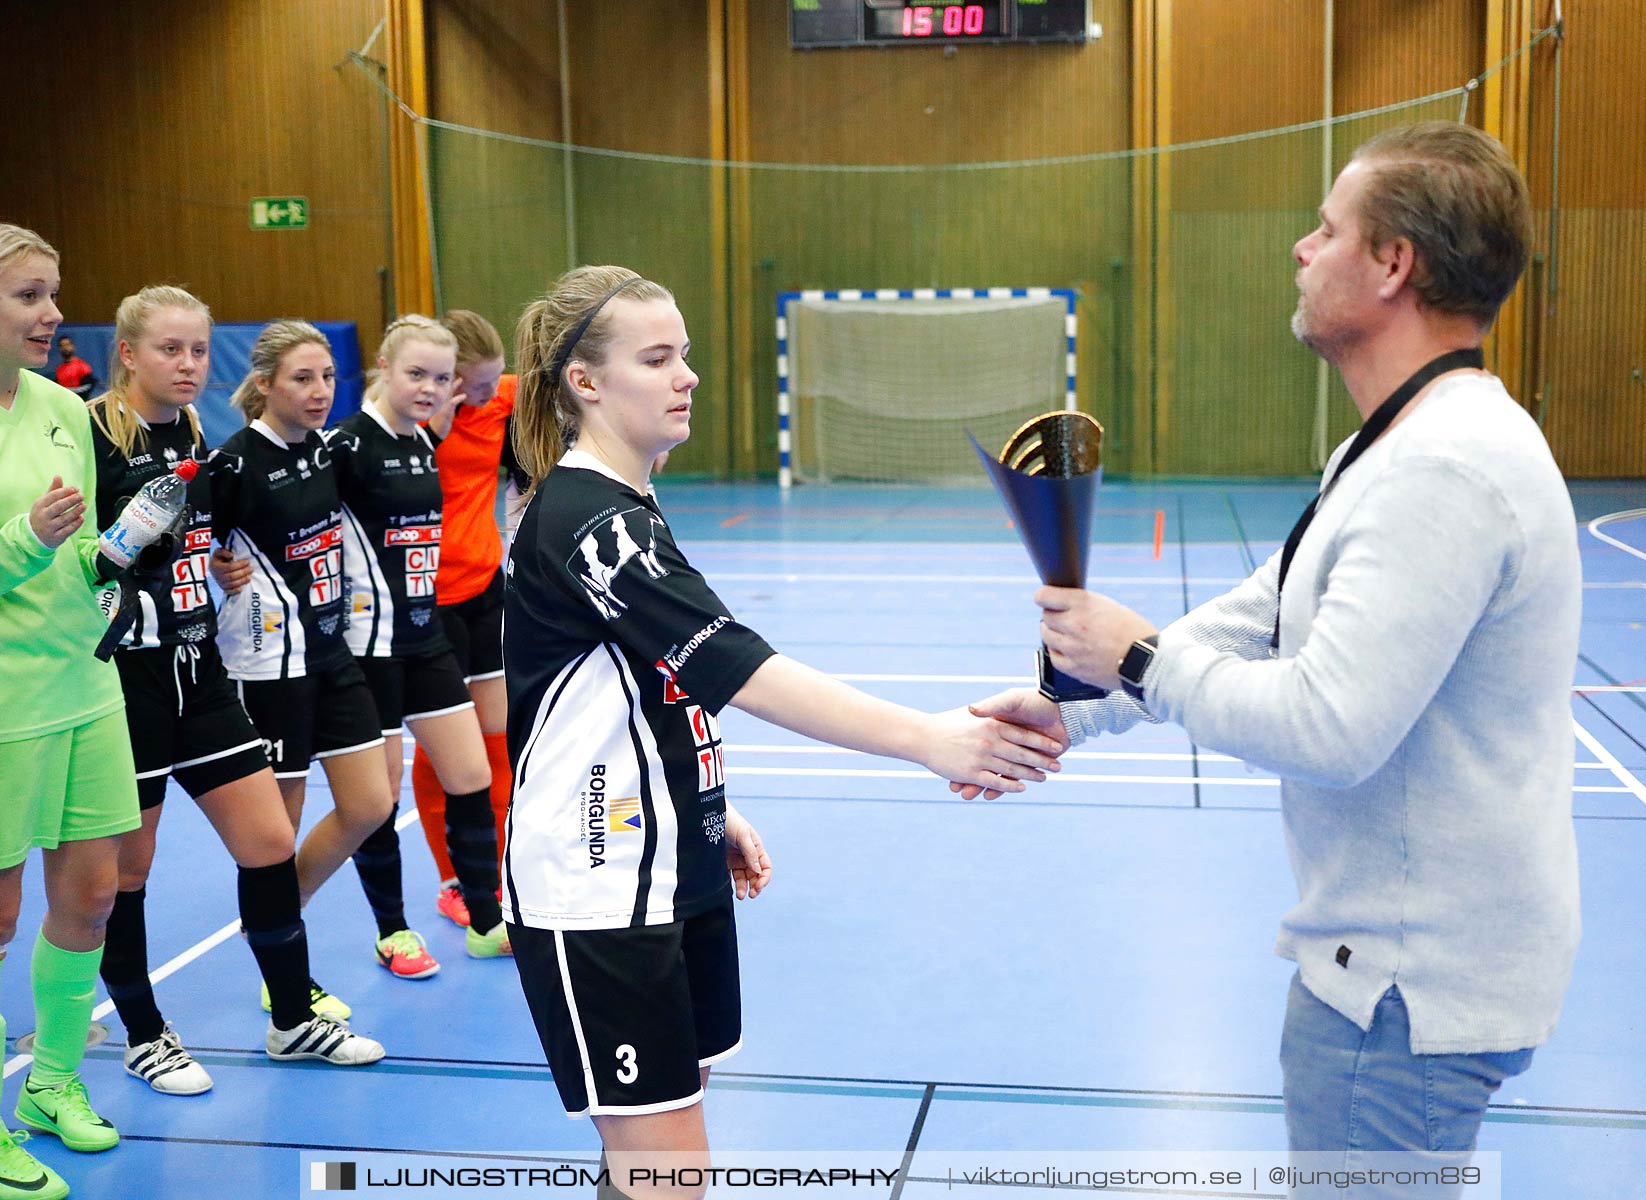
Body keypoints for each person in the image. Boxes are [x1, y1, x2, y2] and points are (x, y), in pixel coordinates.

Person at [982, 122, 1581, 1189]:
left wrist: (1140, 660)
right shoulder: (1395, 443)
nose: (1302, 252)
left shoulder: (1442, 468)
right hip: (1397, 973)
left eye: (1326, 230)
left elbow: (1330, 728)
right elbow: (1260, 614)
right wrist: (1077, 707)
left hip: (1404, 992)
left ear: (1394, 263)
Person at [503, 265, 1065, 1193]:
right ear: (584, 382)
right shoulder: (583, 518)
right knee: (667, 1166)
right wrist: (933, 740)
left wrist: (706, 809)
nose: (686, 374)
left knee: (655, 1141)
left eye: (684, 353)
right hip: (596, 883)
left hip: (669, 854)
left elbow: (649, 693)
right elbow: (740, 669)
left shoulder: (631, 506)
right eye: (656, 357)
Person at [88, 285, 384, 1096]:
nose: (188, 366)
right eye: (169, 350)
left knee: (267, 842)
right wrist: (119, 553)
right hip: (129, 685)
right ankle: (144, 1033)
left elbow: (195, 536)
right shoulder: (89, 434)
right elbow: (82, 560)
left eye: (196, 350)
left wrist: (214, 565)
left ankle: (292, 1019)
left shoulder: (188, 432)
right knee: (128, 873)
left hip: (202, 676)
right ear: (129, 354)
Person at [0, 224, 139, 1199]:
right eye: (29, 296)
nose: (52, 315)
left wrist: (115, 559)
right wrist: (23, 538)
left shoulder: (62, 408)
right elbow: (31, 544)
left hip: (85, 687)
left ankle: (51, 1085)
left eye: (53, 294)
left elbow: (78, 548)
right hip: (5, 706)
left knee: (91, 894)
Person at [208, 321, 398, 994]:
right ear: (264, 385)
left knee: (371, 803)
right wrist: (214, 564)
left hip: (331, 653)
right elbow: (186, 545)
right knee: (274, 838)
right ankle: (283, 974)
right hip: (269, 670)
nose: (320, 392)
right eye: (302, 379)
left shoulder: (323, 450)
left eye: (327, 378)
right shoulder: (232, 463)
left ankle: (279, 919)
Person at [330, 314, 509, 973]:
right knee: (378, 798)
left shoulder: (421, 442)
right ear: (382, 366)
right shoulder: (346, 448)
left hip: (426, 634)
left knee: (471, 772)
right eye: (417, 374)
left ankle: (486, 918)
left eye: (441, 378)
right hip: (367, 649)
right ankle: (393, 931)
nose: (431, 388)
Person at [408, 309, 514, 930]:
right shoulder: (411, 425)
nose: (483, 395)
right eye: (471, 385)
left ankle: (493, 874)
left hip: (484, 591)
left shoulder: (499, 397)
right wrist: (434, 429)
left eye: (489, 384)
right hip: (427, 600)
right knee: (447, 749)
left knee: (497, 736)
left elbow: (579, 390)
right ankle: (453, 878)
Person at [54, 336, 96, 401]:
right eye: (62, 346)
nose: (65, 348)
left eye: (67, 345)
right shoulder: (59, 369)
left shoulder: (82, 366)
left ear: (72, 346)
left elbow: (88, 387)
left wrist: (68, 392)